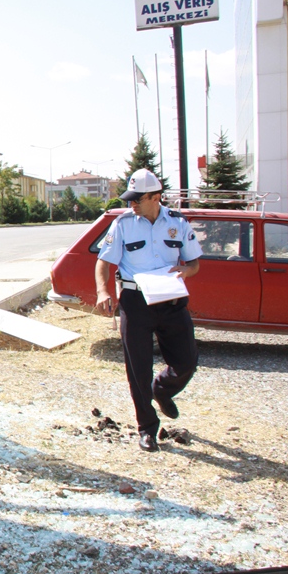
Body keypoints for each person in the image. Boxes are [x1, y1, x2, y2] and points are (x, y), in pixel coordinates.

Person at [95, 169, 203, 452]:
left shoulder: (177, 222)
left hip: (171, 299)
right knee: (138, 370)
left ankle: (162, 390)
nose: (132, 204)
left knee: (187, 361)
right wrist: (103, 291)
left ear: (156, 197)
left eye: (137, 199)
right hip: (136, 301)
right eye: (129, 199)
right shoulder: (123, 224)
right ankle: (147, 428)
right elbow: (103, 262)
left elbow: (194, 263)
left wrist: (186, 271)